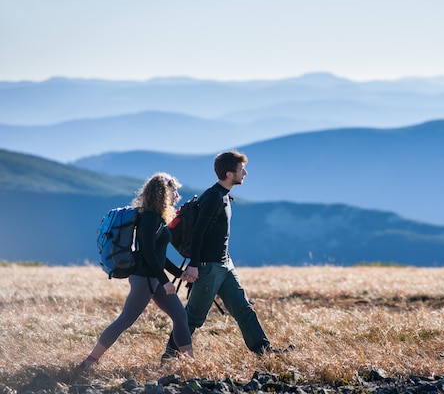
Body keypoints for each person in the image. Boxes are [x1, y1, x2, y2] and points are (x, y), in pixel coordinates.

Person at [163, 150, 293, 360]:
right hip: (208, 267)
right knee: (194, 317)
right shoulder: (213, 197)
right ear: (228, 174)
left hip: (224, 264)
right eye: (241, 170)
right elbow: (198, 233)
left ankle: (263, 351)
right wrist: (195, 265)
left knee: (243, 308)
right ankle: (169, 357)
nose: (246, 173)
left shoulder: (223, 195)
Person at [81, 172, 194, 368]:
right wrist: (165, 280)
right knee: (125, 320)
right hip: (145, 278)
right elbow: (148, 253)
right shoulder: (150, 217)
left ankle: (190, 364)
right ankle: (89, 361)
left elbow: (157, 255)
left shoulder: (155, 216)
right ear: (163, 193)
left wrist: (178, 274)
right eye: (174, 190)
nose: (177, 195)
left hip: (152, 277)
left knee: (180, 316)